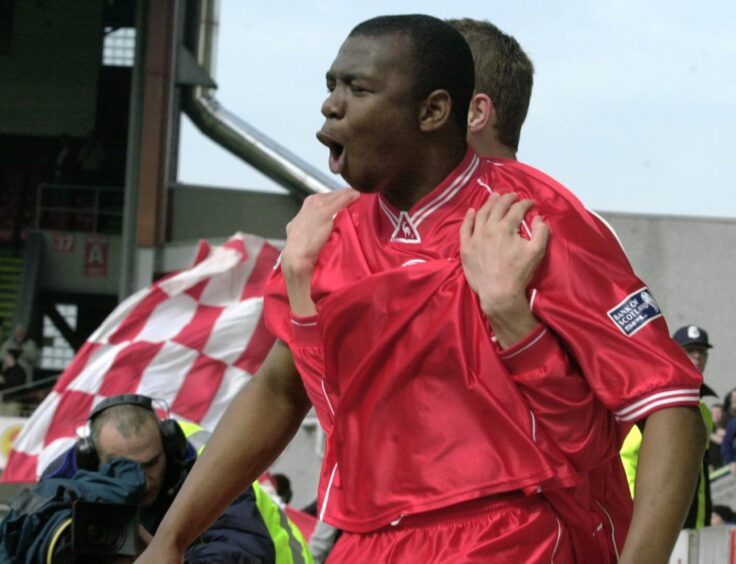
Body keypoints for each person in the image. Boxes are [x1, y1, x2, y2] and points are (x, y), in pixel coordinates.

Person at [140, 15, 704, 563]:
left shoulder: (533, 224)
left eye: (357, 88)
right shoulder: (326, 240)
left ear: (437, 110)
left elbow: (669, 404)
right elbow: (279, 391)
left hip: (516, 534)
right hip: (367, 538)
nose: (330, 104)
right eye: (331, 84)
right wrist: (170, 539)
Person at [41, 394, 312, 562]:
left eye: (151, 463)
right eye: (123, 469)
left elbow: (242, 550)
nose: (142, 480)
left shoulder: (207, 464)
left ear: (168, 446)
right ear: (93, 460)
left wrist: (168, 553)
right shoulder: (66, 480)